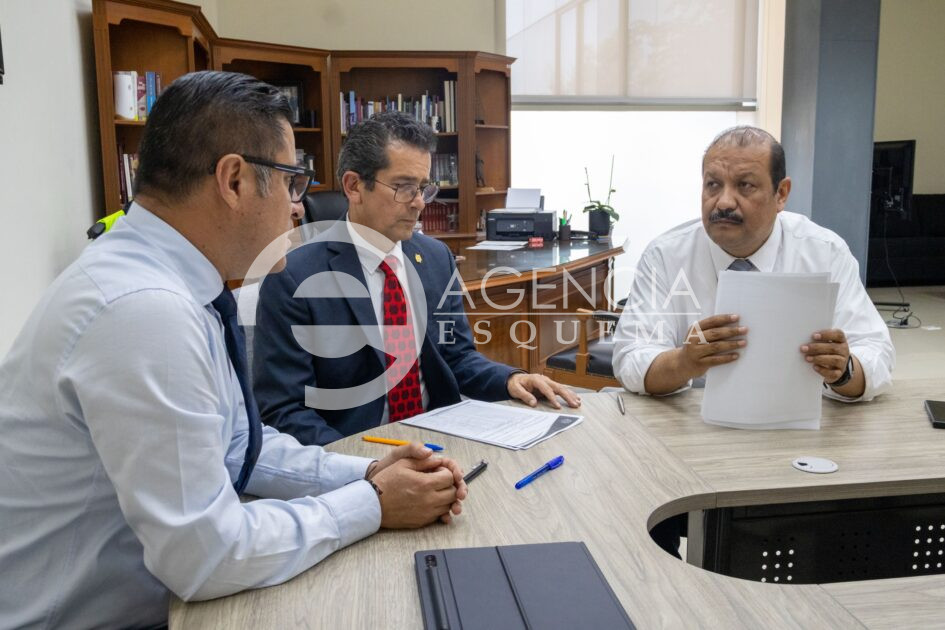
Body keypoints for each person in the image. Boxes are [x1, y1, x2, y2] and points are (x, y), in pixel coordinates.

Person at [0, 71, 467, 629]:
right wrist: (373, 503)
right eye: (292, 182)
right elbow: (207, 556)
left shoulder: (170, 284)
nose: (299, 208)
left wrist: (368, 472)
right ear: (235, 180)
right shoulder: (144, 310)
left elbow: (240, 449)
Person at [252, 111, 580, 446]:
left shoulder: (435, 258)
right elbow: (283, 409)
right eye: (405, 187)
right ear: (354, 186)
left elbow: (458, 357)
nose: (420, 203)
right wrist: (364, 465)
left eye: (423, 188)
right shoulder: (294, 277)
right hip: (357, 453)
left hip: (442, 441)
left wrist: (510, 379)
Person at [612, 126, 894, 401]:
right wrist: (683, 362)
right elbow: (630, 359)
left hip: (798, 419)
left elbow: (877, 355)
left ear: (781, 194)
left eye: (744, 185)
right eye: (713, 185)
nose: (724, 202)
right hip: (690, 421)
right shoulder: (665, 256)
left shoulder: (825, 253)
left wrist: (843, 371)